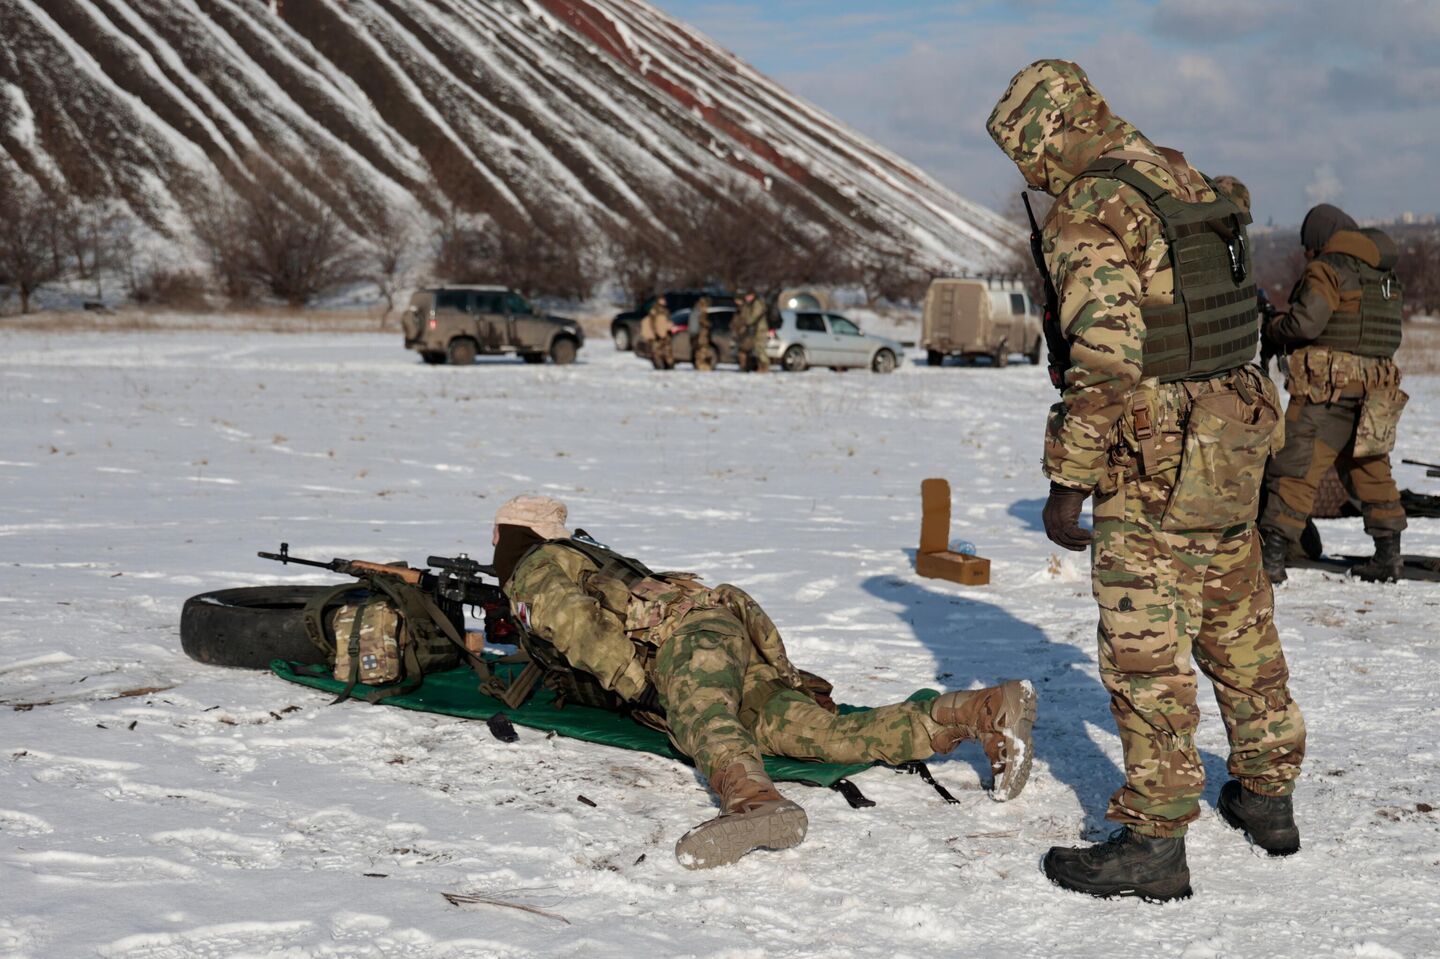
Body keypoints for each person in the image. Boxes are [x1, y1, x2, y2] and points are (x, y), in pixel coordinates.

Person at [987, 60, 1306, 901]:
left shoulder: (1089, 210)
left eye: (1027, 154)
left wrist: (1067, 480)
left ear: (1048, 133)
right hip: (1235, 433)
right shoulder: (1177, 173)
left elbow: (1104, 359)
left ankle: (1154, 841)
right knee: (1239, 621)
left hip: (1156, 456)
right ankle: (1269, 794)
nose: (1032, 175)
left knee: (1145, 649)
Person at [489, 494, 1038, 870]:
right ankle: (980, 710)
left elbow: (575, 624)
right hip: (727, 637)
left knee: (700, 715)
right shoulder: (583, 554)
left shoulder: (534, 565)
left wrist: (641, 686)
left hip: (690, 639)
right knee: (825, 738)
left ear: (513, 536)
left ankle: (755, 804)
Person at [1259, 206, 1408, 583]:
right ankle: (1388, 557)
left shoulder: (1328, 268)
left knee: (1294, 467)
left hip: (1327, 391)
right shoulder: (1381, 272)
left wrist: (1275, 327)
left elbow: (1307, 323)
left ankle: (1272, 558)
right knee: (1371, 468)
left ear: (1318, 241)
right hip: (1375, 389)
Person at [733, 291, 767, 372]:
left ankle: (763, 367)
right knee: (752, 349)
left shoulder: (756, 304)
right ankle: (757, 367)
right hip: (751, 330)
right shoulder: (749, 305)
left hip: (757, 330)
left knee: (758, 348)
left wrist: (746, 324)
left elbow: (752, 317)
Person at [644, 297, 674, 370]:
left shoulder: (666, 311)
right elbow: (652, 323)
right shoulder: (654, 310)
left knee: (667, 351)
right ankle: (659, 366)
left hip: (666, 334)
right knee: (657, 351)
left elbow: (668, 321)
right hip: (657, 334)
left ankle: (668, 365)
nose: (664, 301)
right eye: (662, 300)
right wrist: (655, 333)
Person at [691, 296, 717, 371]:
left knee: (701, 350)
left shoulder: (696, 310)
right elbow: (703, 321)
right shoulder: (701, 312)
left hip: (700, 335)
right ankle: (701, 365)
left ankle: (701, 365)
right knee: (702, 351)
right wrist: (709, 324)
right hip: (702, 336)